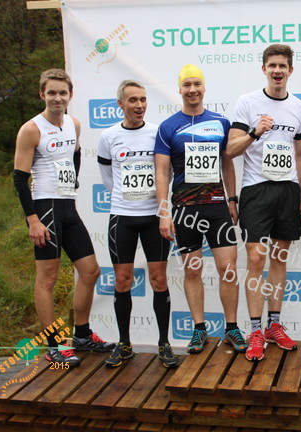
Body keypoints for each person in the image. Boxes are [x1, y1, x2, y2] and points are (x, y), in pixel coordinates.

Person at [13, 68, 114, 367]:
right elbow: (19, 178)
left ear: (70, 95)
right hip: (44, 209)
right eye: (52, 93)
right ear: (42, 94)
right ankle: (54, 345)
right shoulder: (31, 129)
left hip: (68, 208)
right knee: (48, 279)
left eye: (62, 93)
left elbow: (76, 154)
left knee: (90, 271)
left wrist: (74, 182)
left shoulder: (73, 124)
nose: (57, 98)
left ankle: (81, 335)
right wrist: (33, 220)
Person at [155, 65, 247, 355]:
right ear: (180, 89)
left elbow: (227, 163)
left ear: (204, 88)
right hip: (185, 209)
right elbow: (162, 172)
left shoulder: (221, 123)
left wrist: (232, 200)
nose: (192, 89)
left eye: (197, 84)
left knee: (228, 269)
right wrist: (164, 212)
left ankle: (231, 327)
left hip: (217, 207)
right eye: (187, 85)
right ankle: (199, 328)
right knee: (192, 269)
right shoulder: (168, 127)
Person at [226, 44, 301, 362]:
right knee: (256, 259)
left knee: (279, 259)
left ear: (290, 71)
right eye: (272, 65)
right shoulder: (248, 103)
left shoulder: (299, 107)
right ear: (264, 69)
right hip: (256, 190)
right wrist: (254, 132)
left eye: (282, 66)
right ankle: (255, 330)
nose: (277, 71)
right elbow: (231, 149)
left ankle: (274, 325)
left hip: (287, 190)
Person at [97, 80, 178, 368]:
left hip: (153, 217)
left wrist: (158, 205)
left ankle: (164, 343)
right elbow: (107, 176)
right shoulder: (108, 136)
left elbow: (165, 172)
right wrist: (126, 197)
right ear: (121, 104)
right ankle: (124, 344)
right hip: (122, 217)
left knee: (159, 280)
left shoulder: (157, 133)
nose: (139, 105)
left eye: (143, 99)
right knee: (122, 280)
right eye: (133, 100)